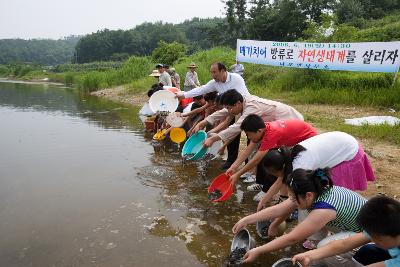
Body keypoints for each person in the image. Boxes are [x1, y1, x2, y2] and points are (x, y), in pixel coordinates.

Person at [232, 168, 367, 264]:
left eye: (292, 196)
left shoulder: (324, 208)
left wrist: (258, 250)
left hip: (368, 235)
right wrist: (247, 219)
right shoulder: (316, 189)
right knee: (303, 209)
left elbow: (292, 238)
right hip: (348, 224)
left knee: (325, 248)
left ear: (308, 195)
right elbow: (278, 209)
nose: (290, 199)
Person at [226, 114, 318, 210]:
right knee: (277, 166)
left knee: (292, 172)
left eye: (248, 134)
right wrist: (233, 167)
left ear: (259, 131)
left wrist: (237, 174)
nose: (248, 137)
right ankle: (281, 197)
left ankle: (295, 204)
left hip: (309, 140)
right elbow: (247, 151)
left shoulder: (271, 134)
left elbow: (256, 160)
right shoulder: (261, 129)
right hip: (295, 141)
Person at [178, 62, 251, 169]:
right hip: (229, 108)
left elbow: (242, 99)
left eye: (214, 72)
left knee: (249, 137)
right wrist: (183, 94)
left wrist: (212, 134)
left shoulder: (236, 78)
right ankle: (230, 160)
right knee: (231, 135)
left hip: (244, 108)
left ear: (223, 71)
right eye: (211, 72)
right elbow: (201, 89)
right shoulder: (214, 83)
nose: (213, 75)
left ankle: (247, 165)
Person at [292, 195, 400, 267]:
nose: (375, 241)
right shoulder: (383, 225)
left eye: (378, 239)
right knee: (368, 250)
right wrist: (310, 255)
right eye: (372, 237)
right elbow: (344, 244)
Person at [199, 89, 304, 151]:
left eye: (229, 107)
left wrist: (213, 139)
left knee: (282, 151)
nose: (228, 110)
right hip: (276, 123)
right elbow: (226, 111)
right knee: (261, 148)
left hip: (290, 120)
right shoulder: (241, 100)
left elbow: (237, 126)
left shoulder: (252, 107)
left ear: (238, 104)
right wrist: (205, 121)